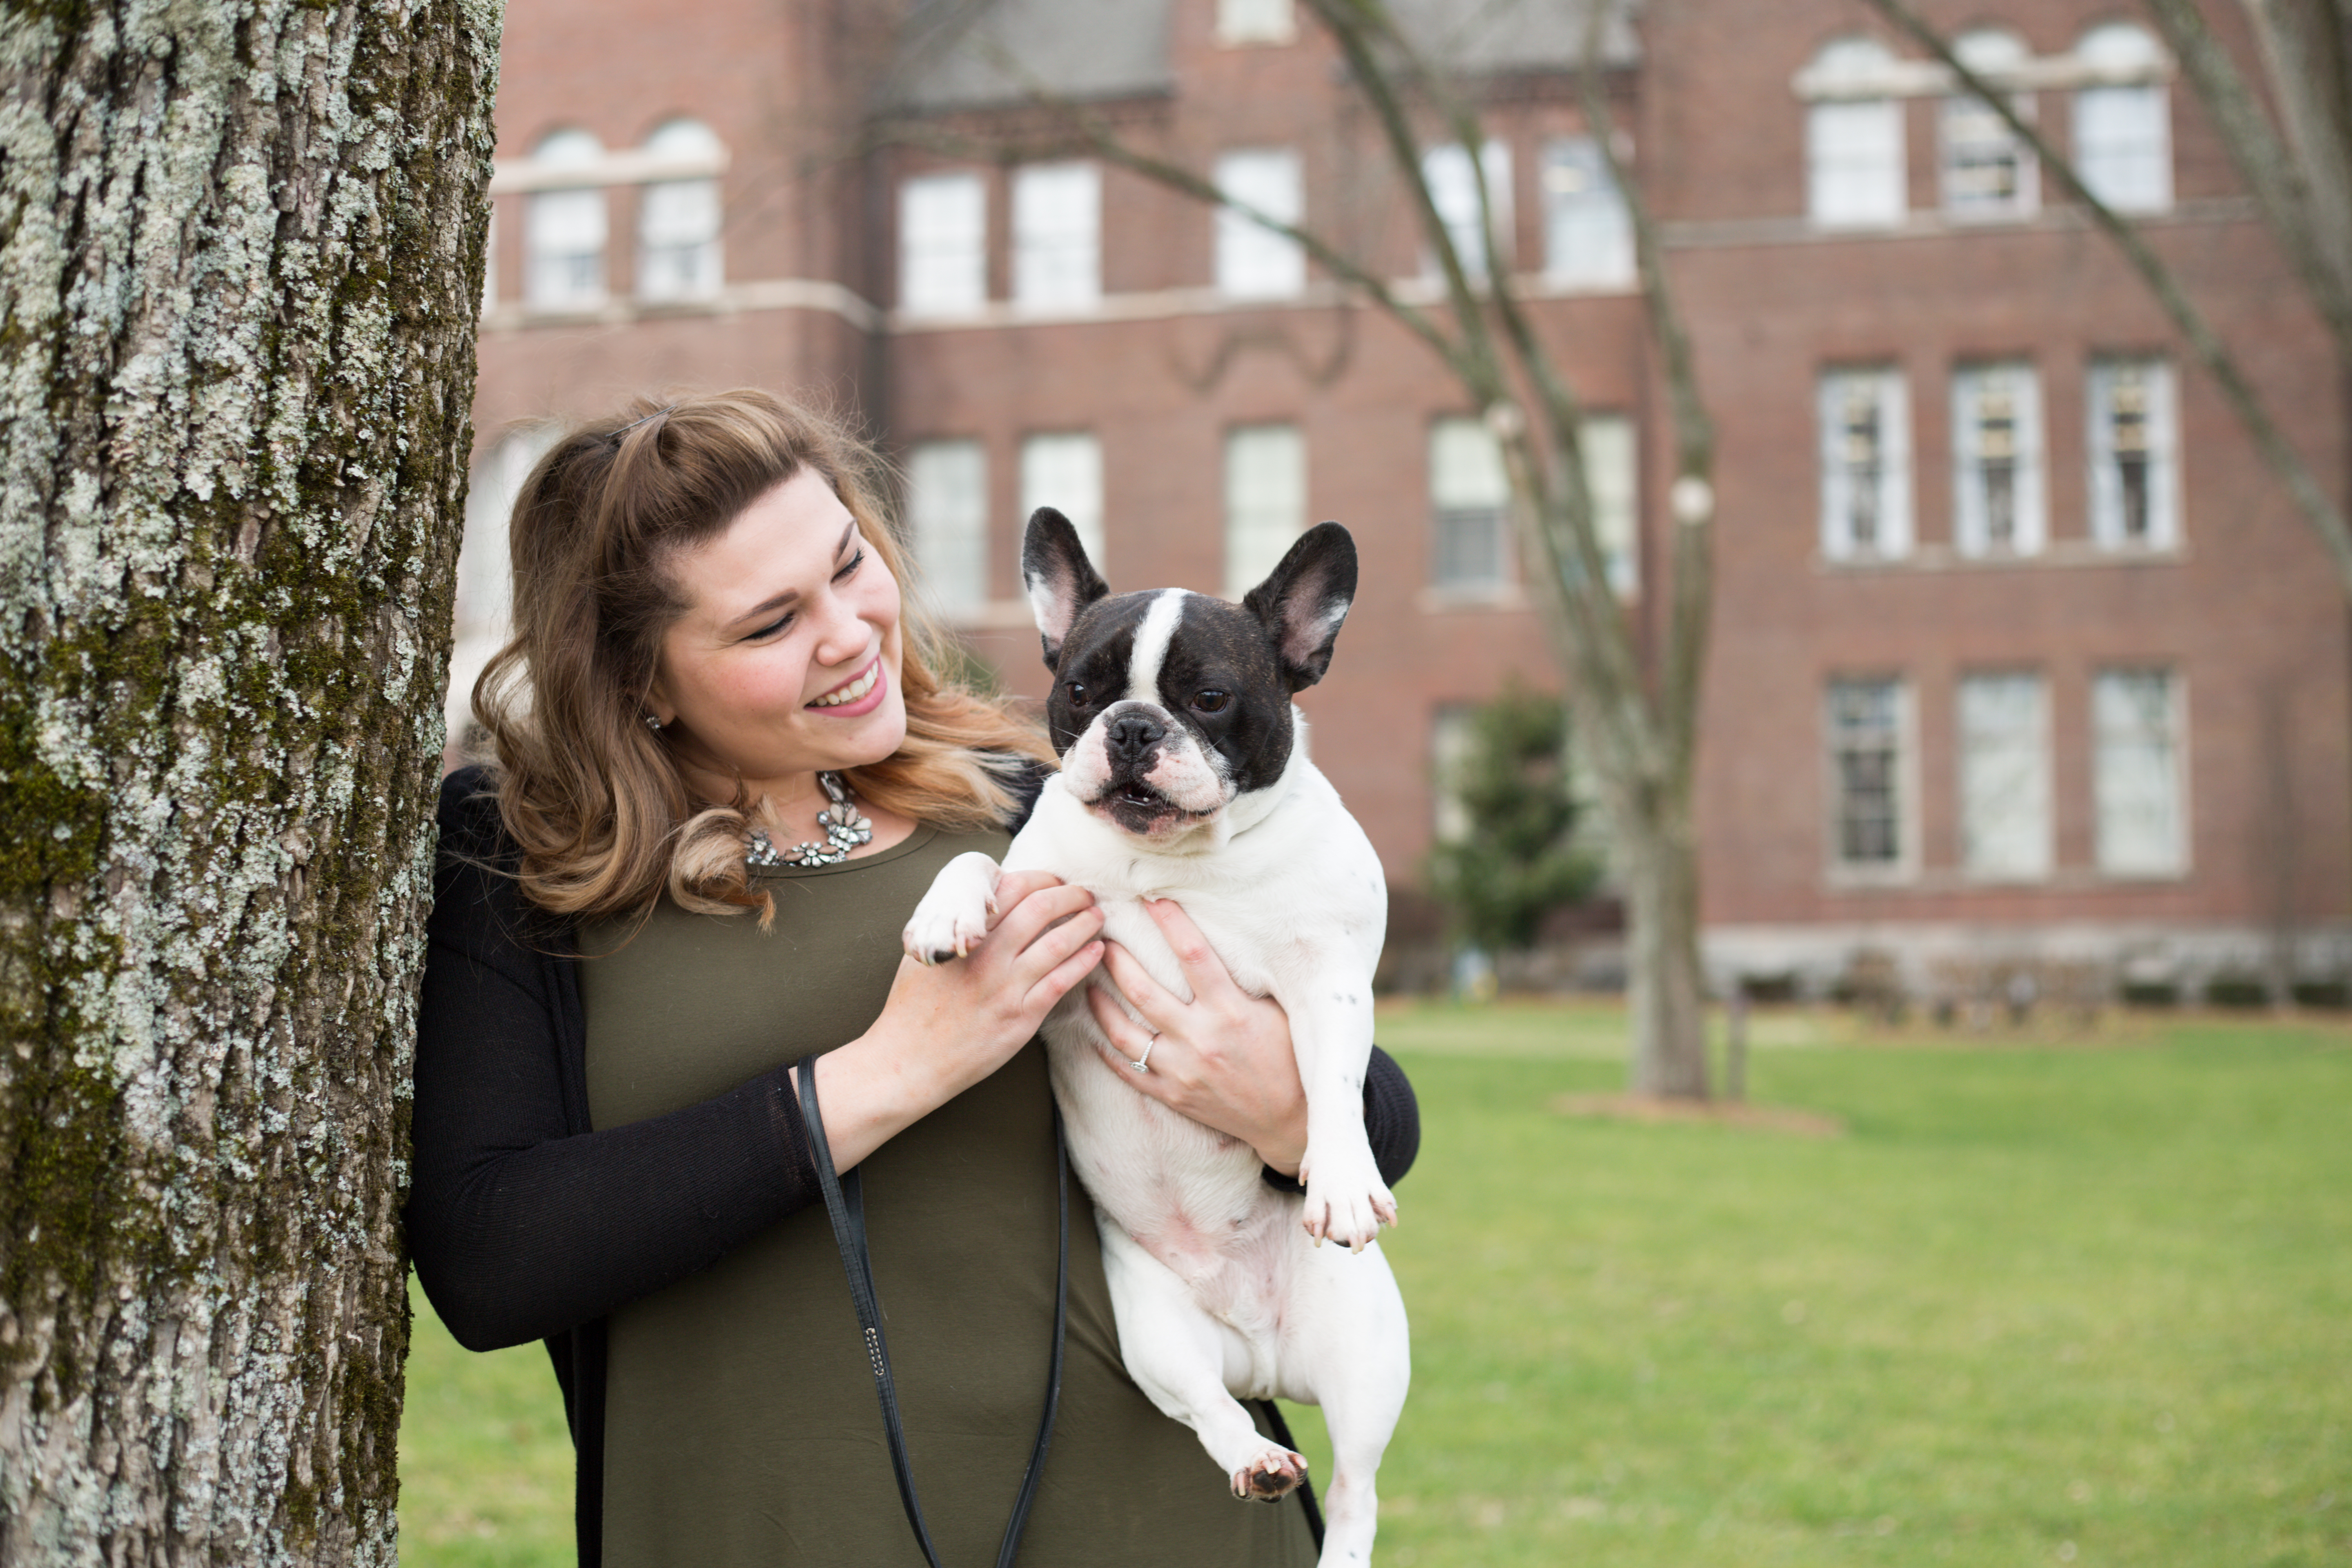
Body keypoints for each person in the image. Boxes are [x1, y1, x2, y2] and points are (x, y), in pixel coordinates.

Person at [406, 388, 1420, 1568]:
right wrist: (889, 1072)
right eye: (769, 623)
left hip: (1164, 1516)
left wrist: (1272, 1097)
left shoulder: (1037, 797)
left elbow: (1377, 1121)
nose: (850, 631)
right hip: (766, 1525)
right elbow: (489, 1259)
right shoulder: (516, 851)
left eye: (850, 564)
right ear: (640, 677)